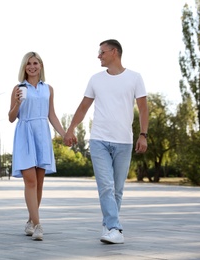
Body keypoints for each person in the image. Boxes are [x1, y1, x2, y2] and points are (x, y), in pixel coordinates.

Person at [64, 39, 149, 244]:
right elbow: (83, 107)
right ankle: (114, 228)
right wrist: (71, 128)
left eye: (102, 52)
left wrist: (143, 134)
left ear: (114, 52)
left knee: (117, 189)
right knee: (106, 186)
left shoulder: (135, 78)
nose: (98, 56)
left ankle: (108, 224)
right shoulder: (95, 79)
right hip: (99, 139)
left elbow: (143, 109)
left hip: (124, 141)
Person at [8, 51, 66, 241]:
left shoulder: (48, 89)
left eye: (35, 63)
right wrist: (17, 103)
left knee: (39, 184)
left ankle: (30, 221)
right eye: (28, 64)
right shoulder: (18, 88)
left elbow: (52, 115)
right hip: (24, 133)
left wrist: (64, 134)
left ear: (40, 66)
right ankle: (38, 225)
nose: (32, 66)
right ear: (24, 67)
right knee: (30, 182)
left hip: (42, 133)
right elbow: (10, 117)